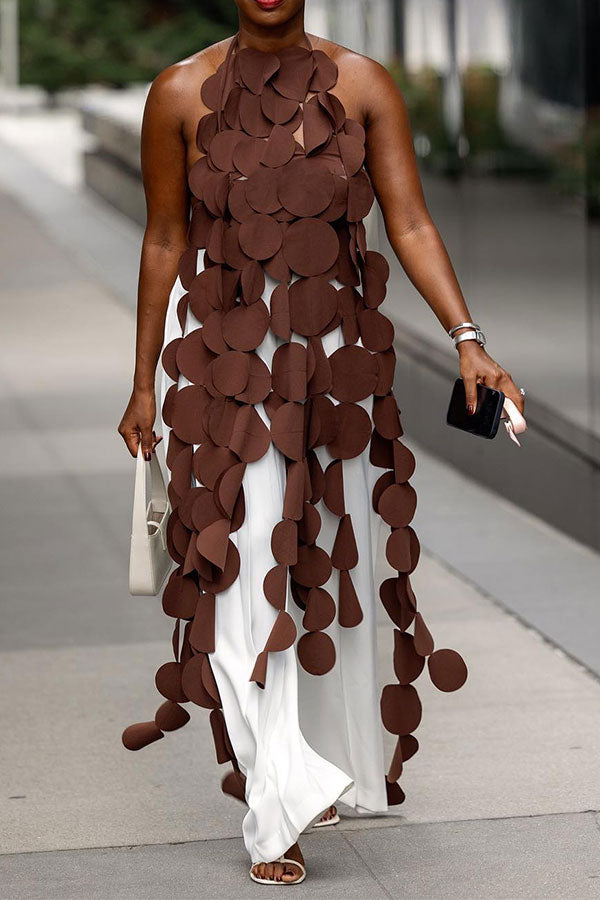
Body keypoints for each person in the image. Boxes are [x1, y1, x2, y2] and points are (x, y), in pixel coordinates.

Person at [118, 0, 525, 886]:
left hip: (336, 367)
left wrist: (468, 339)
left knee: (322, 567)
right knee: (239, 572)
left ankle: (311, 756)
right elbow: (164, 238)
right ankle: (279, 806)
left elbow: (409, 223)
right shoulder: (178, 92)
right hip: (223, 366)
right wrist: (145, 379)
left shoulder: (364, 84)